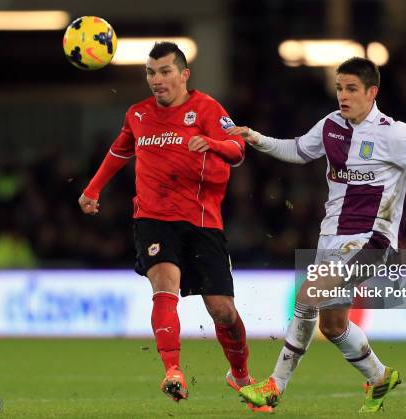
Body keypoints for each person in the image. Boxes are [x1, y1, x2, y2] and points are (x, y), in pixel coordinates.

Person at [227, 57, 406, 413]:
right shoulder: (331, 125)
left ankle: (274, 385)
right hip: (332, 239)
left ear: (372, 92)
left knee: (308, 296)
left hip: (373, 241)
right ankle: (379, 377)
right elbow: (297, 151)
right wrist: (255, 138)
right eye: (339, 88)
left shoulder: (394, 133)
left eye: (351, 89)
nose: (343, 96)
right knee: (332, 325)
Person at [78, 42, 270, 411]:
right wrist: (92, 189)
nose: (156, 79)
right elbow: (121, 150)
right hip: (152, 219)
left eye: (165, 71)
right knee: (164, 287)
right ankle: (172, 371)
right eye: (150, 72)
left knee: (222, 311)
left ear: (184, 75)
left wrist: (211, 143)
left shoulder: (207, 108)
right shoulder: (137, 115)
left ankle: (241, 375)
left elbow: (238, 150)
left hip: (201, 221)